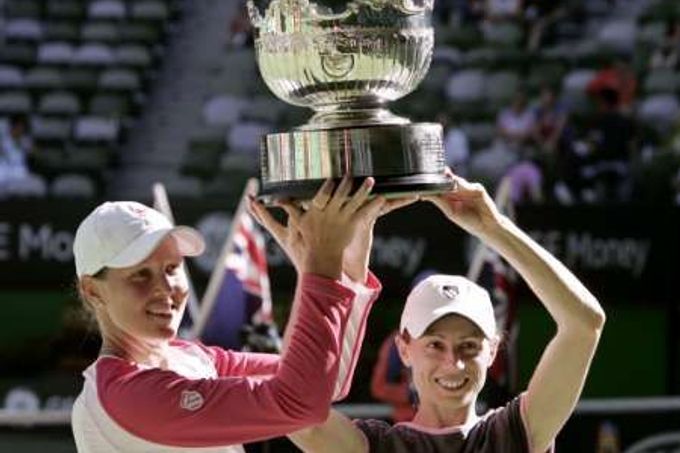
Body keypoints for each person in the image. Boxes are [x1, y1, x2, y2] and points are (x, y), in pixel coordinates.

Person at [70, 177, 412, 452]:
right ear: (92, 290)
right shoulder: (123, 393)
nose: (165, 287)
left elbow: (323, 383)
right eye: (139, 275)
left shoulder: (193, 358)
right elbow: (299, 402)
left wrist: (342, 269)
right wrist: (320, 268)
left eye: (172, 268)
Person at [288, 169, 606, 452]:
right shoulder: (378, 446)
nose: (452, 363)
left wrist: (495, 228)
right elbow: (292, 406)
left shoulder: (512, 435)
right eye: (434, 344)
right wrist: (317, 275)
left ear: (493, 350)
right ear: (404, 348)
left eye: (469, 346)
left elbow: (584, 323)